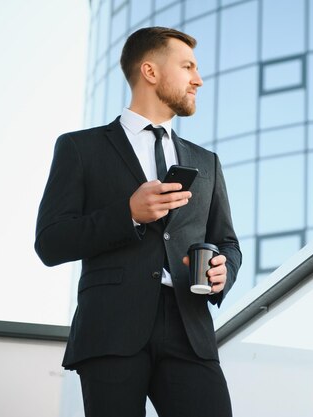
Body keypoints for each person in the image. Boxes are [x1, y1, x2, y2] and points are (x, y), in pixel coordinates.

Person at [35, 27, 241, 417]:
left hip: (189, 329)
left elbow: (227, 242)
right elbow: (50, 241)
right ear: (150, 71)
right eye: (188, 67)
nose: (199, 79)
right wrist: (127, 214)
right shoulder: (80, 148)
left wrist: (222, 270)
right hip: (110, 328)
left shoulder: (206, 162)